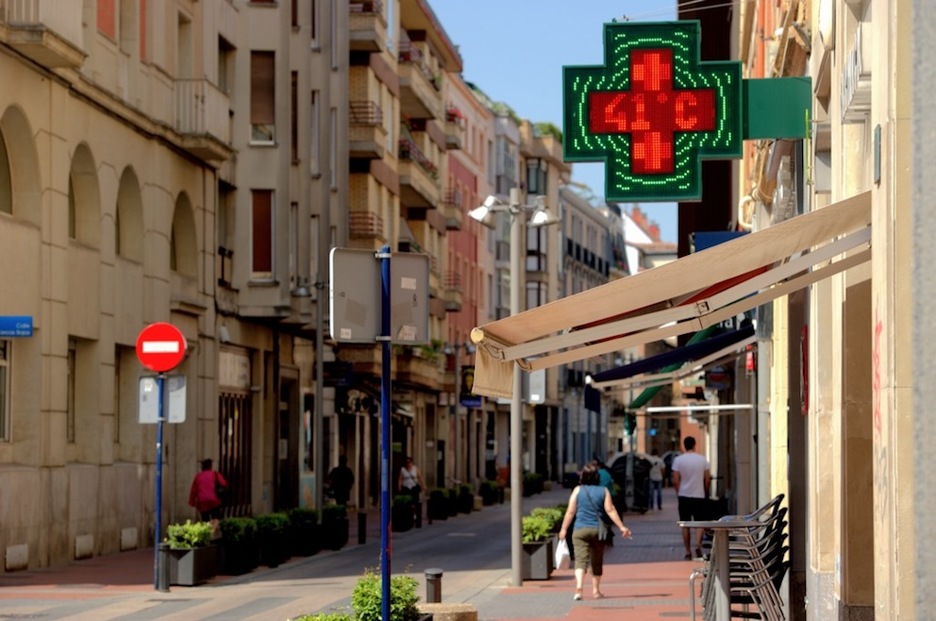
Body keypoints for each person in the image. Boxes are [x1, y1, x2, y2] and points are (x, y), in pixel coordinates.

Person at [558, 462, 632, 601]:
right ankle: (596, 591)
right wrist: (622, 527)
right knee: (596, 561)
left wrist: (563, 529)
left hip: (580, 530)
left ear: (583, 476)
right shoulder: (604, 491)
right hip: (598, 531)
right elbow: (610, 510)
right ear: (597, 477)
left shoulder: (577, 490)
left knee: (580, 560)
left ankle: (579, 589)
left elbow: (570, 512)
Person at [672, 436, 711, 560]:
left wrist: (679, 492)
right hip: (699, 495)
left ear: (684, 445)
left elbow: (676, 480)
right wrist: (705, 491)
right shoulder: (702, 460)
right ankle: (698, 545)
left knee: (685, 524)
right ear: (694, 445)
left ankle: (688, 551)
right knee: (700, 522)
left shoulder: (678, 460)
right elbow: (707, 479)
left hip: (684, 496)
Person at [398, 456, 425, 520]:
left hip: (414, 487)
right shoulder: (403, 469)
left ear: (412, 463)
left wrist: (423, 485)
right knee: (407, 502)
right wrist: (399, 487)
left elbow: (420, 477)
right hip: (406, 487)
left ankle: (415, 514)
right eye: (406, 462)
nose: (408, 464)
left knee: (415, 502)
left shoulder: (415, 469)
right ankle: (407, 515)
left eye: (409, 462)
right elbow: (400, 479)